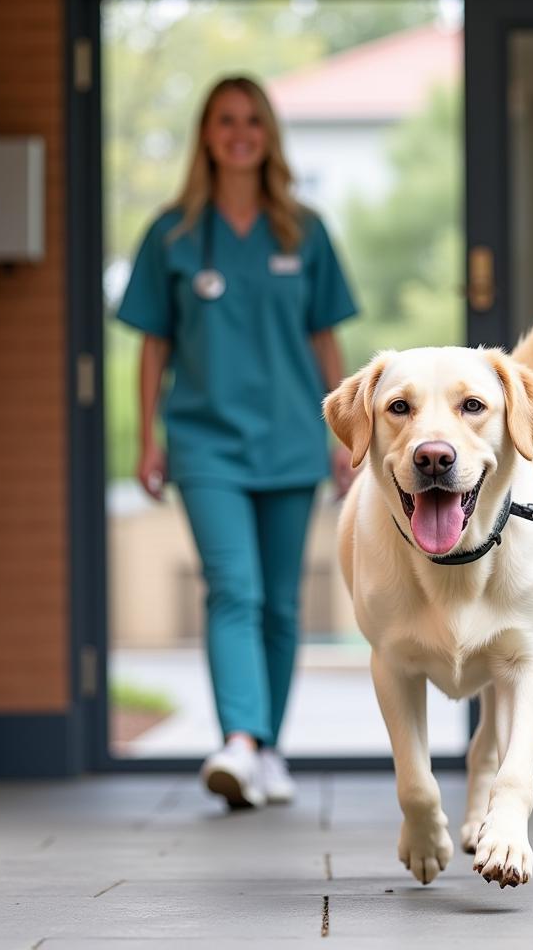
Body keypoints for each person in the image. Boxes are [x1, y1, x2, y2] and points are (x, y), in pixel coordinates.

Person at [116, 76, 357, 809]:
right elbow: (152, 344)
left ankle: (268, 750)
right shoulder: (171, 236)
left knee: (281, 604)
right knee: (234, 590)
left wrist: (349, 437)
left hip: (291, 440)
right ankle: (240, 744)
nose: (239, 131)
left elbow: (326, 339)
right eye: (225, 120)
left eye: (252, 119)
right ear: (207, 135)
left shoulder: (304, 232)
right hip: (204, 443)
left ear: (268, 134)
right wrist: (149, 437)